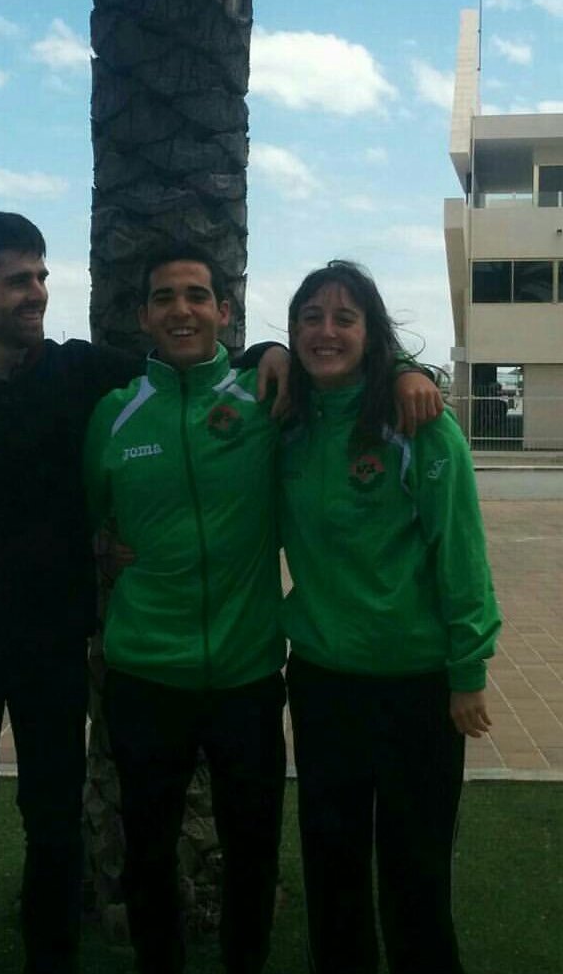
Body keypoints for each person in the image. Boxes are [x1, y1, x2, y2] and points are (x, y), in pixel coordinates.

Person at [0, 212, 289, 974]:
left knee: (52, 827)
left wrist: (270, 350)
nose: (37, 294)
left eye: (42, 277)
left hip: (54, 647)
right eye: (19, 280)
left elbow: (181, 361)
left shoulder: (76, 372)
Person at [82, 247, 445, 974]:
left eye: (197, 295)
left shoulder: (268, 400)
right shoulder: (115, 416)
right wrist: (98, 543)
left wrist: (412, 371)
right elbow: (91, 517)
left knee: (254, 855)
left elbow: (348, 384)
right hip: (144, 675)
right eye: (163, 298)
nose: (181, 309)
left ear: (223, 311)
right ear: (144, 316)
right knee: (148, 857)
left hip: (249, 675)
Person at [279, 260, 500, 974]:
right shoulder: (287, 425)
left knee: (416, 877)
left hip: (418, 690)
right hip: (322, 684)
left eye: (345, 317)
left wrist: (467, 672)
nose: (326, 331)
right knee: (332, 872)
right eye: (311, 316)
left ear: (372, 333)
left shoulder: (420, 423)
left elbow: (460, 555)